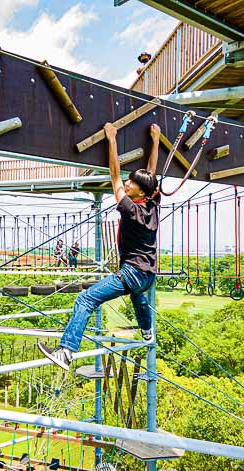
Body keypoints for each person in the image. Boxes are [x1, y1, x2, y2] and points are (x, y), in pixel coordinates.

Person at [38, 123, 161, 370]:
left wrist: (112, 139)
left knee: (85, 300)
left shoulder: (129, 208)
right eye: (130, 181)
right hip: (148, 274)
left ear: (139, 193)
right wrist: (155, 140)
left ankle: (66, 351)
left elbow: (114, 175)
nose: (127, 184)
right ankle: (147, 331)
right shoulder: (152, 204)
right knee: (139, 297)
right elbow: (150, 173)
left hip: (132, 272)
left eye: (132, 184)